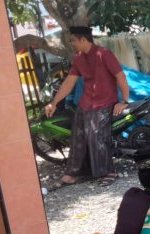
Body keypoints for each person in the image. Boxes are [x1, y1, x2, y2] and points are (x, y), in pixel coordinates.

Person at [44, 25, 130, 188]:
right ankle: (72, 174)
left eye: (73, 41)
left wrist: (124, 100)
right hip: (85, 103)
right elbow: (69, 82)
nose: (72, 44)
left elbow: (121, 77)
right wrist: (54, 103)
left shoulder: (104, 54)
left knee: (95, 135)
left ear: (83, 39)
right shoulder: (78, 58)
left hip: (105, 102)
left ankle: (108, 172)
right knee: (77, 137)